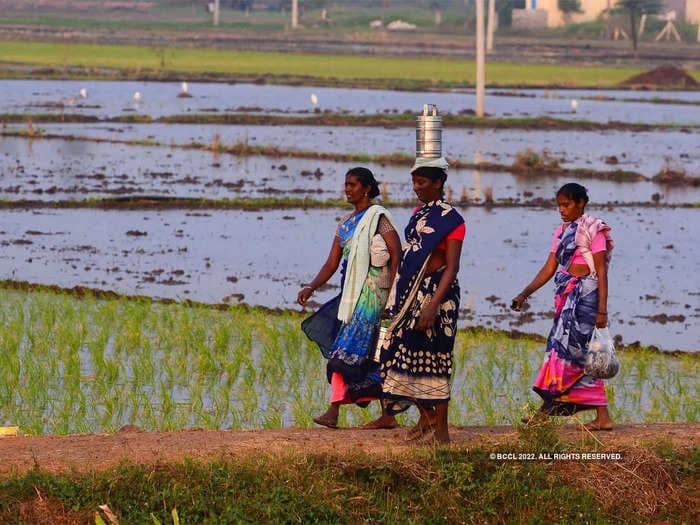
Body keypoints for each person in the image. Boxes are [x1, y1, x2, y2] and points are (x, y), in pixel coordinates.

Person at [298, 167, 402, 429]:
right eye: (346, 184)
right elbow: (332, 263)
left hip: (375, 294)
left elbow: (397, 253)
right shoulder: (345, 225)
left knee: (356, 353)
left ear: (366, 188)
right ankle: (371, 415)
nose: (347, 189)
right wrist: (311, 286)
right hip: (352, 296)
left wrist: (393, 295)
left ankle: (342, 412)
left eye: (353, 184)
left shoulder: (379, 219)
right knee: (367, 354)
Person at [511, 182, 614, 431]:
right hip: (567, 297)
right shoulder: (562, 232)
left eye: (566, 204)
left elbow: (600, 271)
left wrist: (602, 310)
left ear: (580, 203)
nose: (562, 209)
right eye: (559, 205)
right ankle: (602, 417)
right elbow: (549, 268)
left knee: (572, 354)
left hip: (587, 299)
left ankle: (545, 413)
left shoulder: (593, 229)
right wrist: (525, 293)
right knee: (578, 357)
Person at [378, 160, 465, 444]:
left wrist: (432, 305)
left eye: (422, 183)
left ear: (437, 183)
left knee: (436, 358)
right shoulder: (419, 214)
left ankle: (441, 432)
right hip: (413, 293)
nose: (416, 188)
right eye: (414, 182)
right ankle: (426, 420)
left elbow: (451, 267)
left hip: (438, 296)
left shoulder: (452, 220)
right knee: (402, 353)